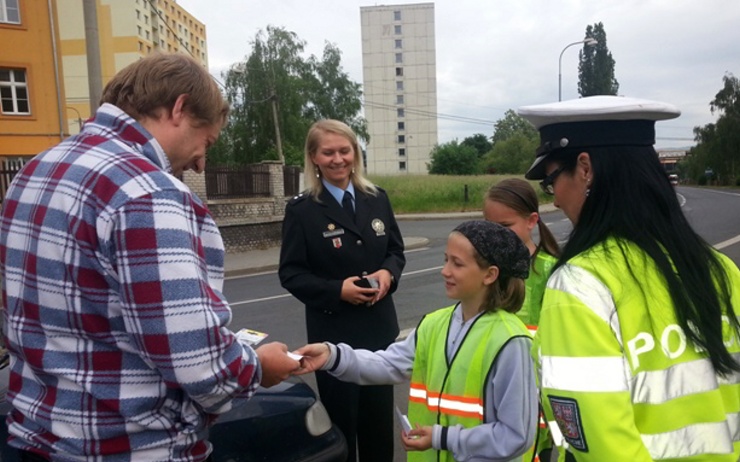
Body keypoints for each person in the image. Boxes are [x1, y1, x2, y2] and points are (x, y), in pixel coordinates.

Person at [0, 53, 299, 462]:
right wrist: (258, 367)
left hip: (36, 439)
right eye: (205, 141)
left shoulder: (35, 171)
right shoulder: (147, 192)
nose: (199, 160)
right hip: (131, 448)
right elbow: (199, 361)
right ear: (178, 108)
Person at [520, 95, 740, 461]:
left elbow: (602, 444)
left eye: (552, 180)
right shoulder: (719, 269)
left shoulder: (580, 285)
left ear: (585, 168)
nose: (554, 200)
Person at [295, 220, 537, 462]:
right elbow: (388, 364)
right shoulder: (435, 324)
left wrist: (441, 438)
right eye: (445, 260)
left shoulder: (510, 341)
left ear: (490, 275)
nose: (445, 271)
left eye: (457, 263)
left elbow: (516, 435)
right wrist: (332, 356)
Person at [278, 119, 406, 462]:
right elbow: (290, 274)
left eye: (345, 150)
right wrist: (338, 291)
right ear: (314, 158)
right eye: (328, 152)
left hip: (379, 333)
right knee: (343, 430)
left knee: (379, 430)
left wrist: (387, 274)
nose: (338, 159)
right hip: (333, 336)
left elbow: (396, 252)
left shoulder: (377, 198)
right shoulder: (303, 210)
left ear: (355, 153)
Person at [483, 178, 560, 329]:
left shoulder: (550, 269)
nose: (495, 233)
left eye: (505, 225)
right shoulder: (483, 265)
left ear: (531, 221)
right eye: (488, 224)